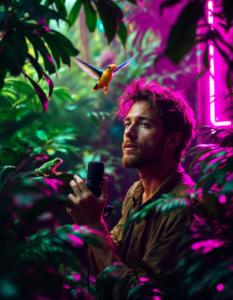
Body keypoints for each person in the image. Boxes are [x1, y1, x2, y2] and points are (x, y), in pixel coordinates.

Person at [66, 79, 196, 299]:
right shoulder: (136, 192)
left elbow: (140, 295)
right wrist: (86, 222)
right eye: (128, 123)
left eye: (144, 124)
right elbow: (108, 266)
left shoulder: (185, 206)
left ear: (173, 140)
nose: (129, 133)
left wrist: (94, 223)